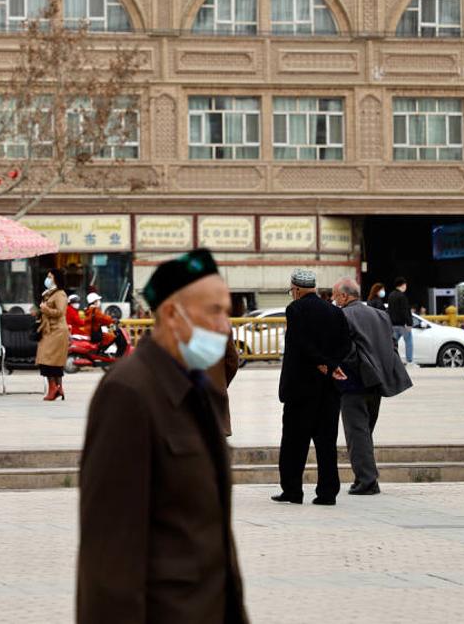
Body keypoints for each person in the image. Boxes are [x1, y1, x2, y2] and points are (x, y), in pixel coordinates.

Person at [77, 249, 247, 623]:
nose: (224, 326)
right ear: (172, 314)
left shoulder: (197, 388)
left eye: (226, 311)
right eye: (213, 312)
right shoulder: (128, 393)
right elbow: (109, 553)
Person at [275, 269, 351, 507]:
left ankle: (293, 491)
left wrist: (322, 363)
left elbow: (300, 343)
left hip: (301, 389)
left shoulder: (295, 309)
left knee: (294, 443)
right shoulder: (334, 311)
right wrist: (331, 366)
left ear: (296, 289)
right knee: (326, 443)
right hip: (328, 389)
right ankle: (327, 493)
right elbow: (346, 344)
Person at [332, 277, 413, 496]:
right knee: (365, 432)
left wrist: (346, 367)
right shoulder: (380, 314)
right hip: (377, 382)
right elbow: (391, 345)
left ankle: (366, 482)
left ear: (345, 296)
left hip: (353, 383)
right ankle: (367, 478)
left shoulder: (343, 315)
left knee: (357, 433)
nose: (333, 299)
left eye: (335, 295)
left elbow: (344, 349)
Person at [37, 270, 69, 401]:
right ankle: (58, 388)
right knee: (51, 361)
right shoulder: (49, 293)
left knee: (49, 361)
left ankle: (54, 388)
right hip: (49, 330)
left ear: (56, 278)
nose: (47, 279)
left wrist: (45, 309)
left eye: (50, 277)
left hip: (57, 331)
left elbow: (60, 312)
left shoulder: (60, 294)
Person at [387, 277, 416, 365]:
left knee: (392, 344)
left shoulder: (391, 295)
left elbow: (389, 310)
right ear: (403, 285)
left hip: (392, 324)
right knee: (409, 342)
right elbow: (405, 311)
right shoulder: (402, 296)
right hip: (402, 325)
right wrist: (409, 323)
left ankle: (391, 361)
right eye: (405, 285)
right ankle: (410, 361)